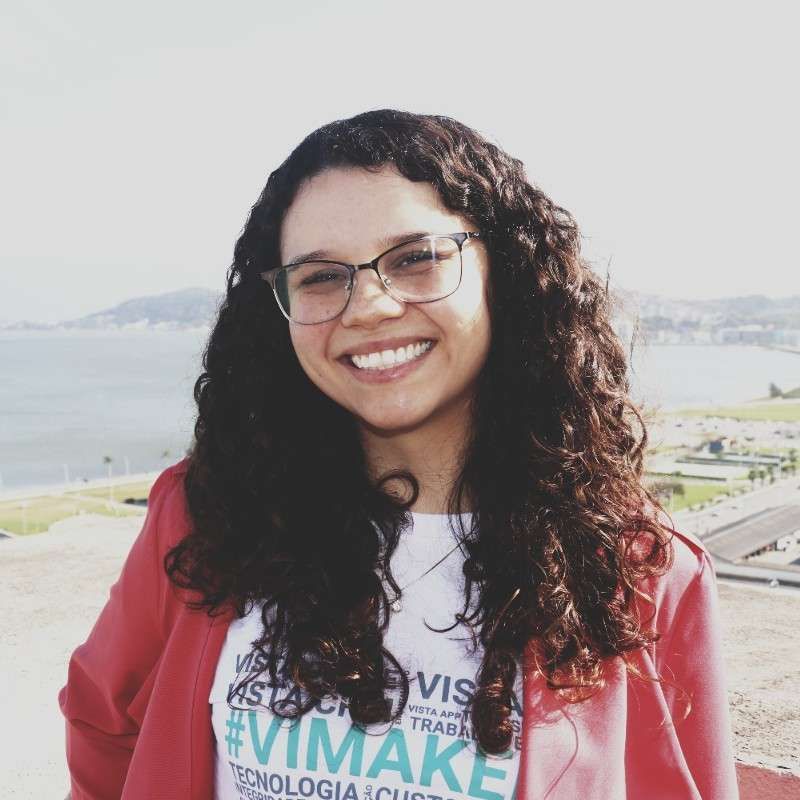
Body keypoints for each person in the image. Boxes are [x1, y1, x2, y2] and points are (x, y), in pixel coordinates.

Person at [59, 109, 739, 799]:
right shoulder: (206, 517)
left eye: (416, 258)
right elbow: (102, 720)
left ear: (505, 271)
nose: (369, 307)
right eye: (320, 276)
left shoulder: (640, 571)